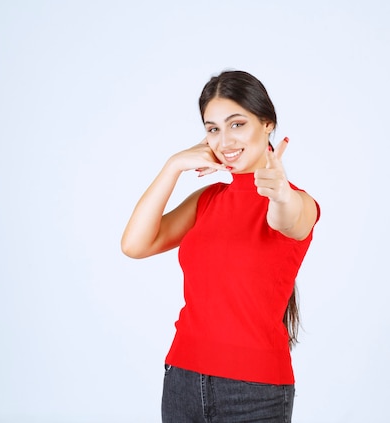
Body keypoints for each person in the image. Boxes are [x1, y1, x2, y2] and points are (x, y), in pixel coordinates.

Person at [121, 70, 320, 422]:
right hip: (182, 379)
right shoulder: (208, 200)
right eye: (213, 129)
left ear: (267, 124)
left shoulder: (297, 202)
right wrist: (173, 166)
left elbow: (286, 219)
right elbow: (136, 244)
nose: (224, 140)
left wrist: (279, 191)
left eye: (237, 124)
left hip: (254, 392)